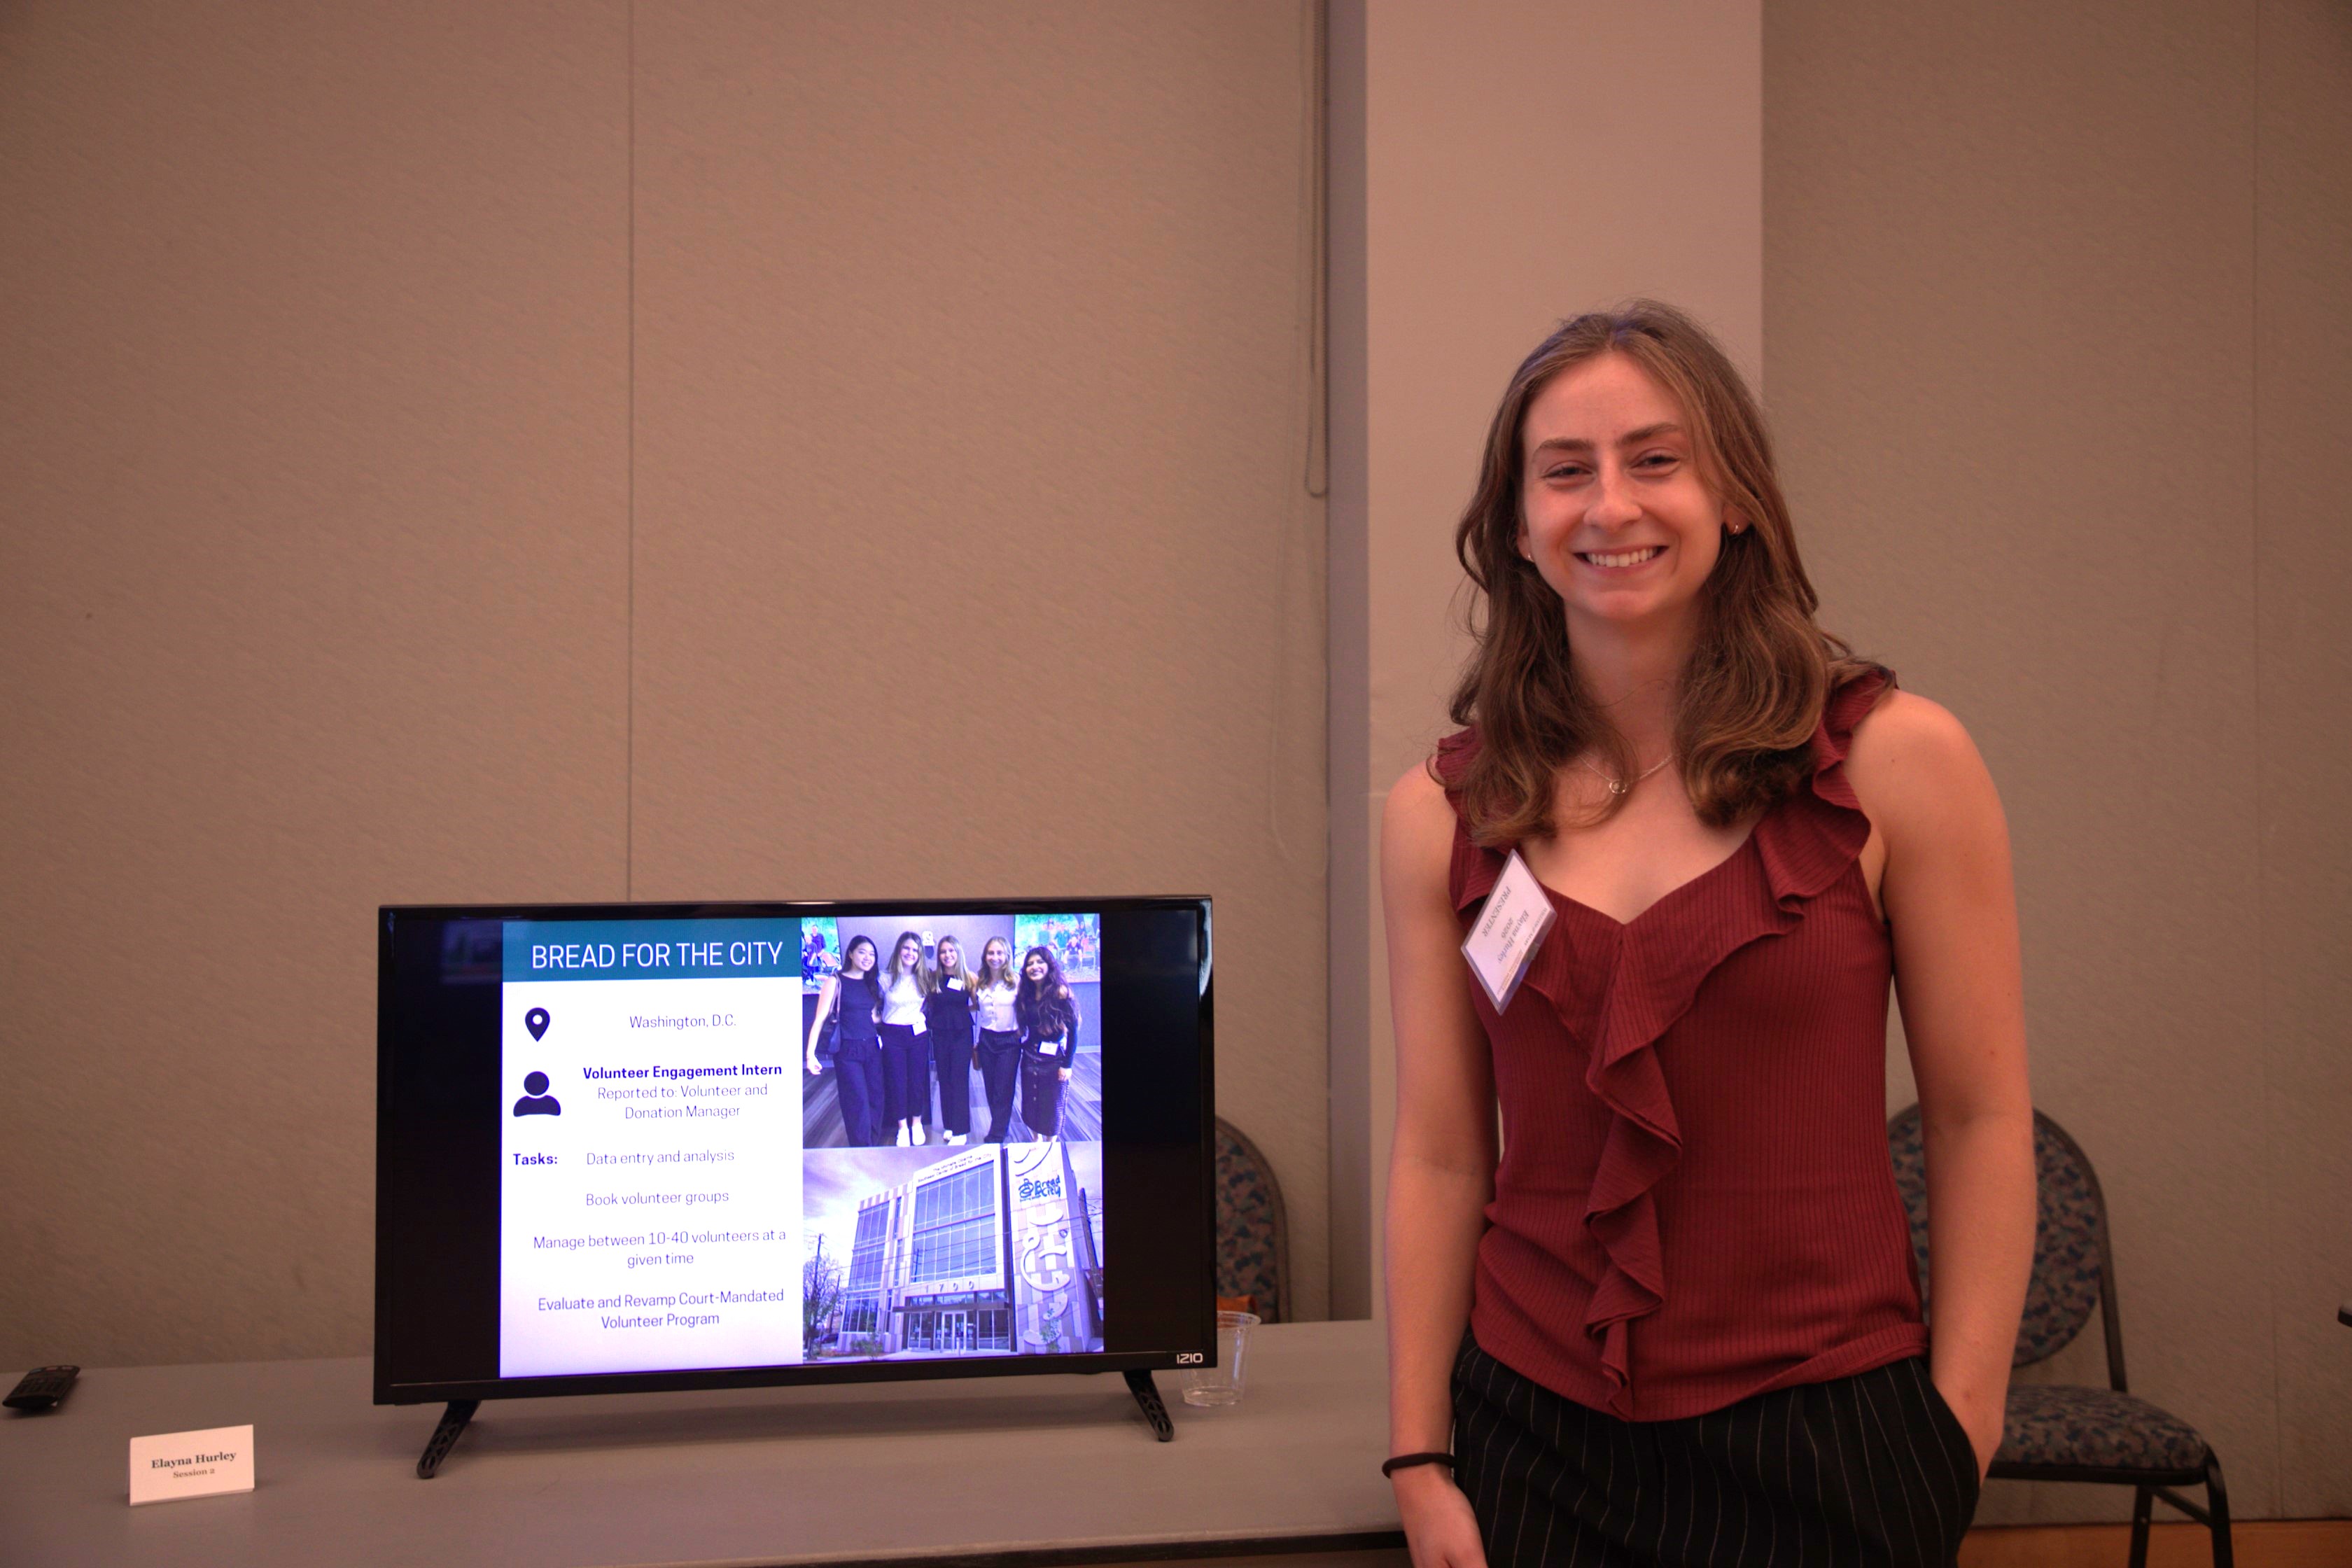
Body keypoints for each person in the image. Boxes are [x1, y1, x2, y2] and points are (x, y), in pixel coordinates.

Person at [1380, 301, 2036, 1568]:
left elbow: (1977, 1117)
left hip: (1833, 1443)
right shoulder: (1442, 815)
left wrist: (1962, 1419)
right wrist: (1417, 1454)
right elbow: (1442, 1157)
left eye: (1656, 459)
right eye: (1564, 471)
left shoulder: (1898, 763)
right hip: (1536, 1444)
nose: (1609, 505)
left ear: (1733, 494)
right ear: (1517, 528)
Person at [805, 935, 883, 1147]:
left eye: (872, 954)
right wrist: (810, 1054)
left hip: (872, 1048)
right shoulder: (835, 981)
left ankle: (872, 1148)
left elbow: (872, 1017)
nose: (868, 958)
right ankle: (861, 1149)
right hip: (848, 1051)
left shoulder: (871, 983)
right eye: (862, 952)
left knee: (876, 1100)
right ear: (850, 953)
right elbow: (820, 1018)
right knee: (856, 1103)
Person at [1015, 944, 1079, 1141]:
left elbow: (1074, 1030)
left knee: (1052, 1105)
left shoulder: (1061, 992)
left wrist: (1067, 1065)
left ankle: (1051, 1145)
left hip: (1054, 1060)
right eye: (1030, 963)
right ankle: (1036, 1140)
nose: (1034, 967)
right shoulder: (1025, 993)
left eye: (1039, 962)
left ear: (1049, 965)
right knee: (1032, 1101)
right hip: (1030, 1057)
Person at [877, 930, 934, 1147]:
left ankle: (916, 1123)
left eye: (915, 950)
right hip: (892, 1034)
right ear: (899, 950)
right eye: (907, 948)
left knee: (917, 1081)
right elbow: (876, 1003)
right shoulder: (884, 978)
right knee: (897, 1082)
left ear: (920, 954)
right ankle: (902, 1128)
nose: (911, 953)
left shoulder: (924, 978)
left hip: (917, 1034)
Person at [923, 933, 980, 1146]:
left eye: (951, 951)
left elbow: (977, 1004)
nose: (947, 955)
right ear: (939, 955)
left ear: (958, 953)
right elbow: (929, 1004)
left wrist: (959, 1011)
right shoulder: (933, 978)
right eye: (943, 952)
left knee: (959, 1079)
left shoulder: (969, 977)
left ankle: (961, 1130)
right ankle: (949, 1125)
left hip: (961, 1033)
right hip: (939, 1033)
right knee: (944, 1079)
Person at [972, 936, 1023, 1142]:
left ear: (1007, 956)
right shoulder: (979, 981)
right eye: (991, 953)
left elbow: (1026, 1008)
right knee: (991, 1087)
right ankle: (1001, 1125)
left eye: (999, 953)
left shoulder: (1017, 981)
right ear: (985, 956)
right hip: (986, 1040)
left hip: (1009, 1041)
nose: (995, 957)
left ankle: (997, 1134)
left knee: (1004, 1088)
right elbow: (977, 1007)